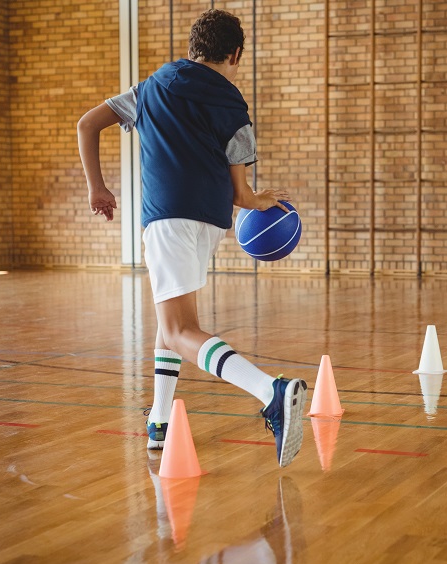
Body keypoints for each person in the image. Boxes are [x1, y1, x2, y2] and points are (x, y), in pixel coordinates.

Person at [77, 9, 307, 467]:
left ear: (192, 47)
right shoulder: (234, 105)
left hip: (166, 220)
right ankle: (159, 423)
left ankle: (270, 391)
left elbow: (87, 124)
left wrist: (97, 187)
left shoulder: (149, 89)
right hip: (211, 224)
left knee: (180, 330)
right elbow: (242, 194)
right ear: (235, 53)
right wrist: (260, 200)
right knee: (171, 326)